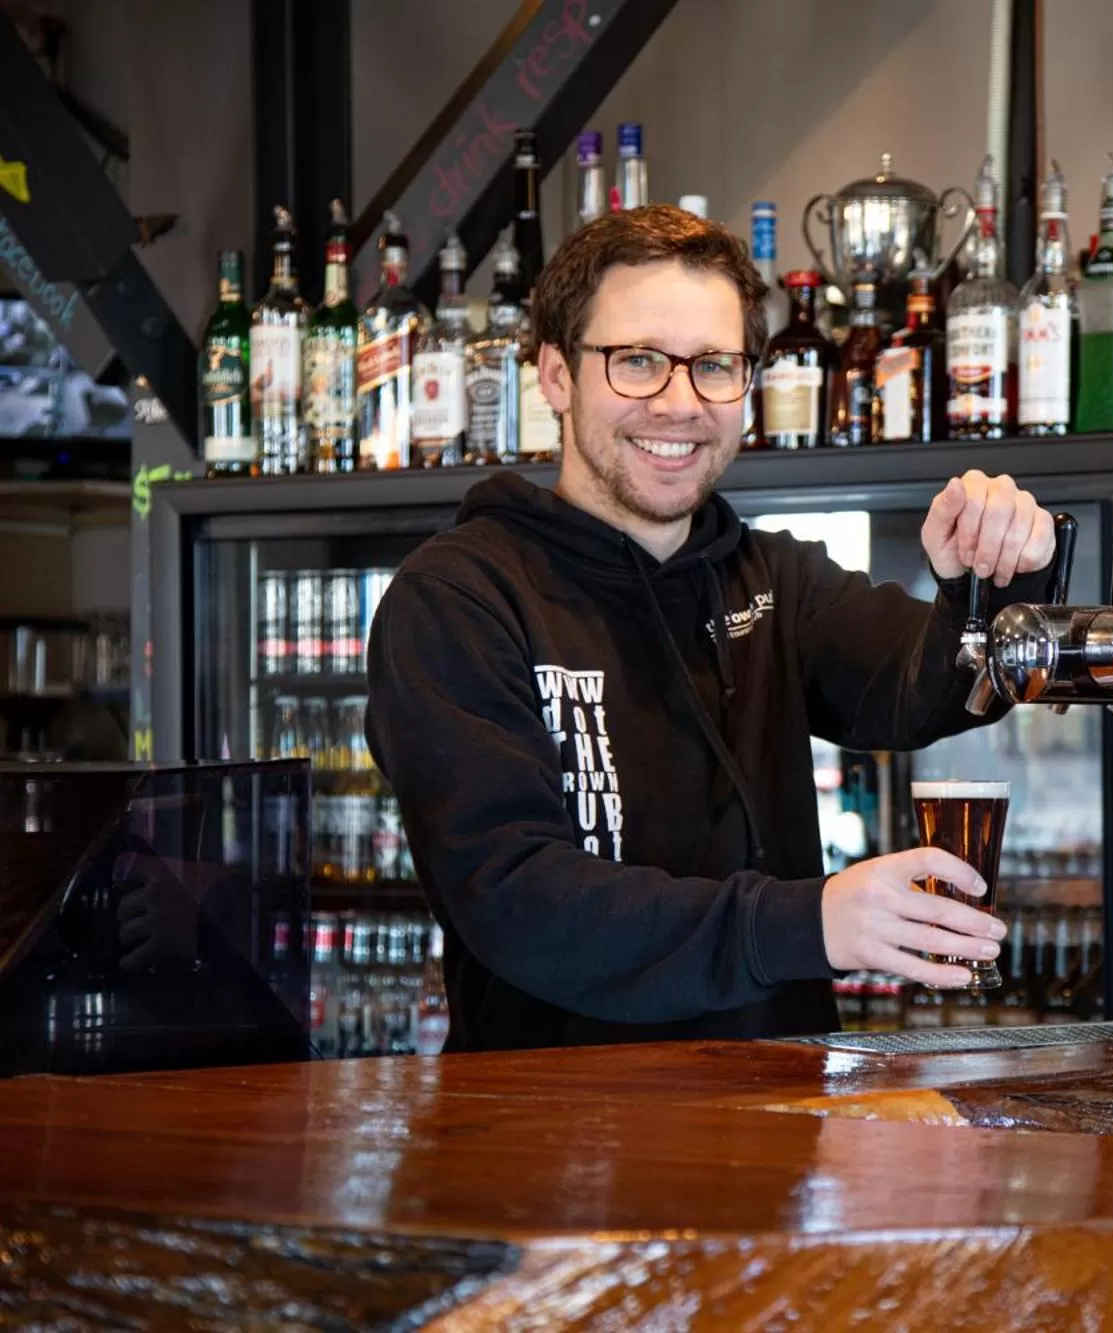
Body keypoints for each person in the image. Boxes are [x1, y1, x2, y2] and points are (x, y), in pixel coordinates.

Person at [365, 205, 1058, 1051]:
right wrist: (809, 922)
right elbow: (513, 898)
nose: (680, 402)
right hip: (547, 1145)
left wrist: (998, 573)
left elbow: (927, 684)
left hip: (778, 1134)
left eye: (715, 366)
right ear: (554, 374)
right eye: (639, 361)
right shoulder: (460, 597)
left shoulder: (775, 581)